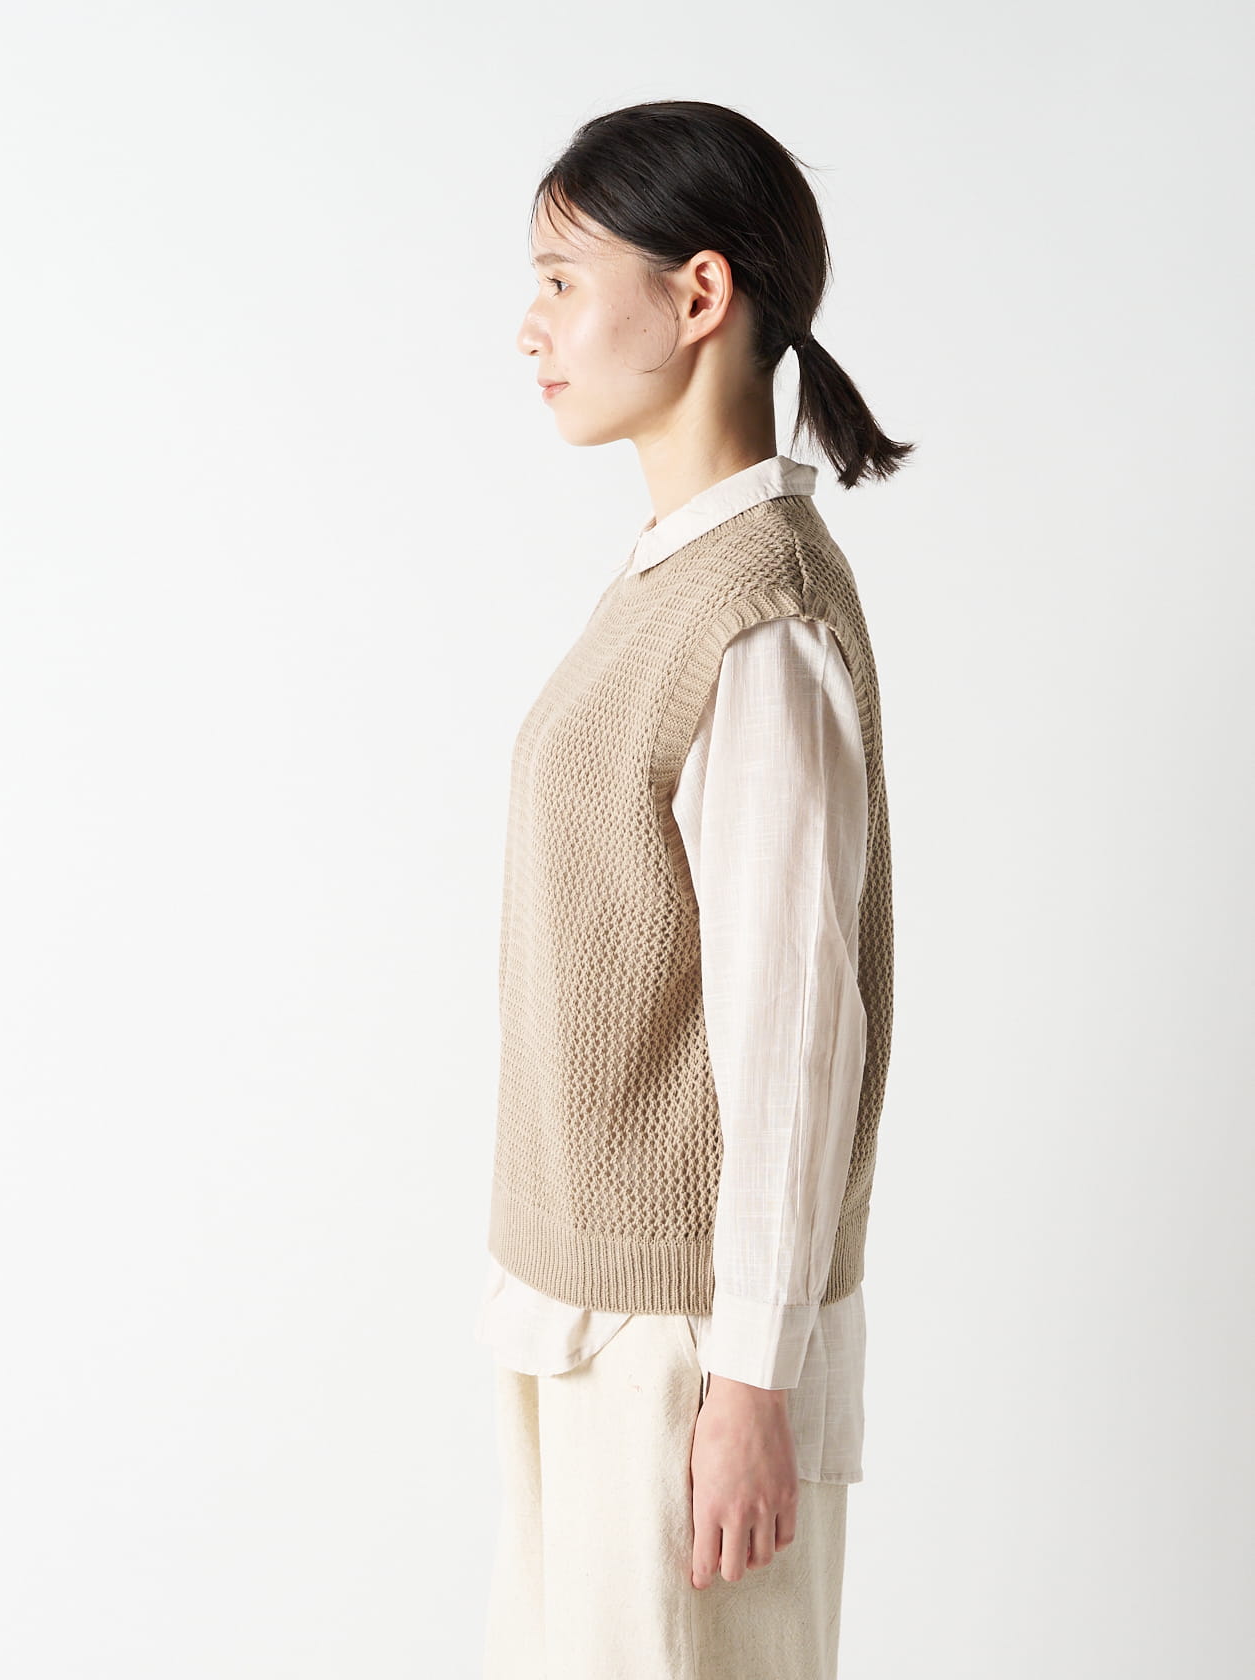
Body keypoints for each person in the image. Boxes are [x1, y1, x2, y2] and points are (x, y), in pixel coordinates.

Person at [476, 99, 911, 1679]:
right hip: (599, 1318)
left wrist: (752, 1385)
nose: (530, 326)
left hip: (683, 1349)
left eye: (560, 279)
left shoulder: (760, 618)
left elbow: (793, 1036)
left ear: (700, 293)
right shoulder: (678, 576)